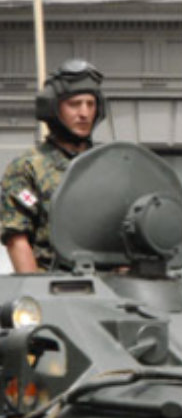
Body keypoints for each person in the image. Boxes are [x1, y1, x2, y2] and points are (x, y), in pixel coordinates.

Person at [1, 59, 107, 273]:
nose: (84, 113)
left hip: (111, 287)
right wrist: (37, 294)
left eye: (90, 104)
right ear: (54, 108)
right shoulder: (28, 168)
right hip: (54, 285)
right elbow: (17, 238)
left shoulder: (108, 164)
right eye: (74, 104)